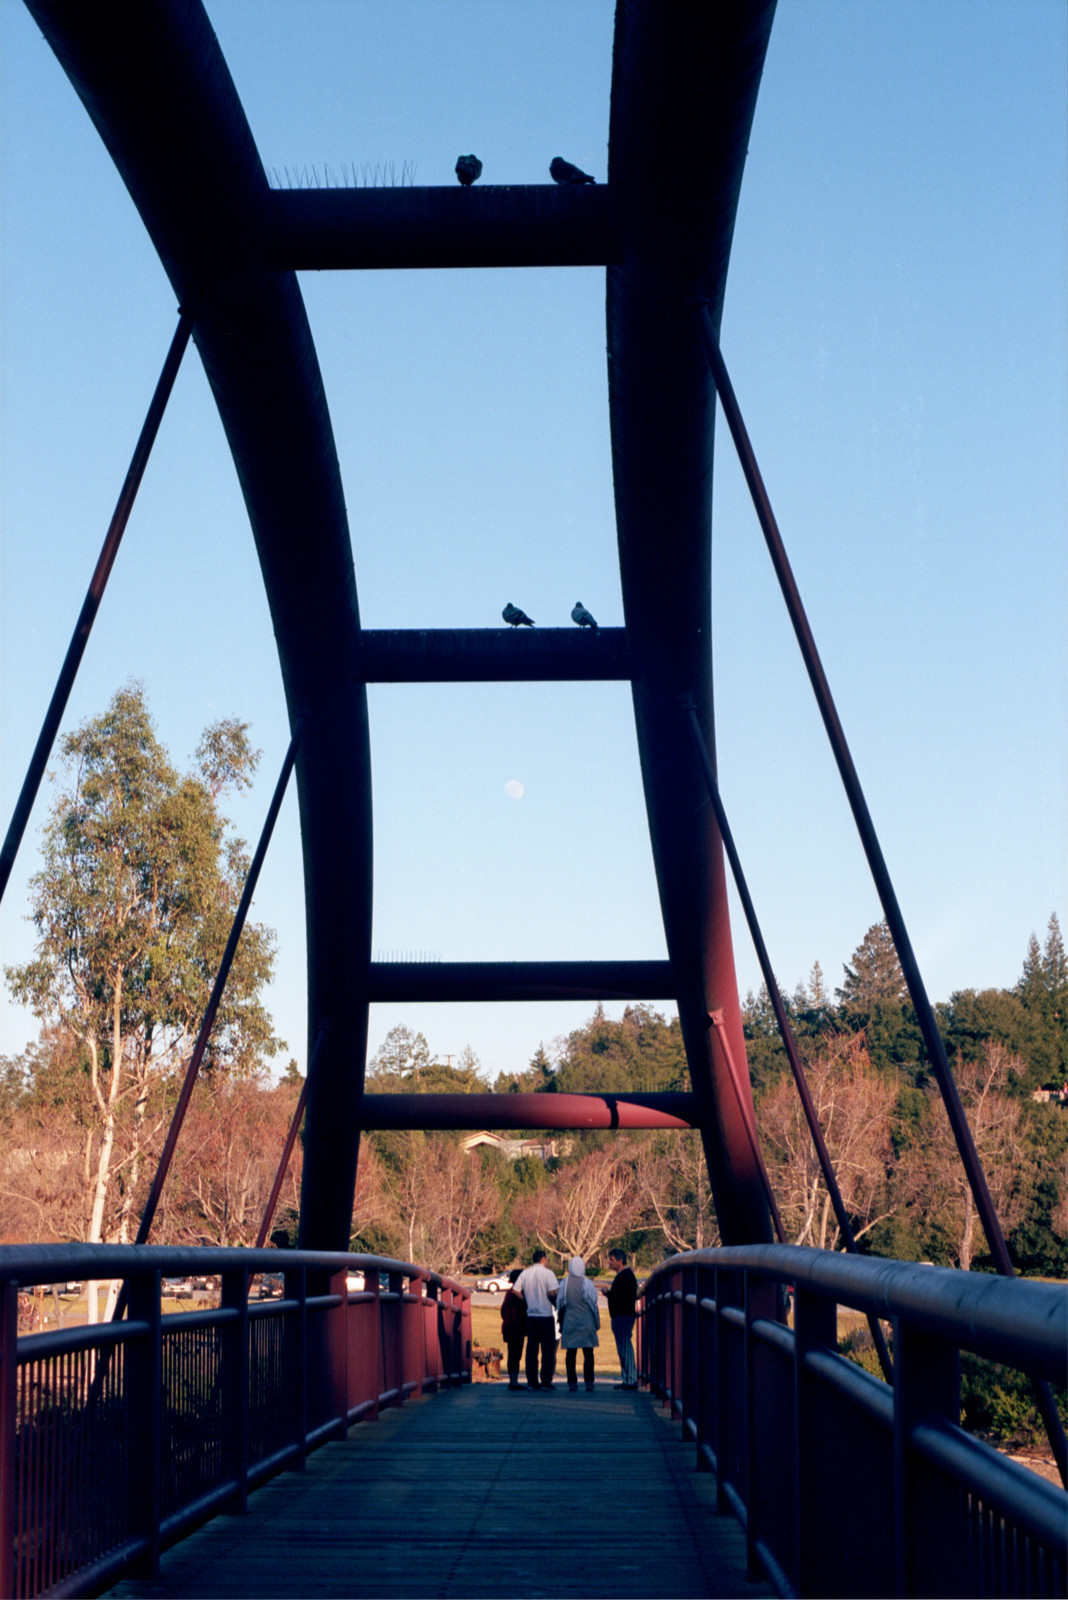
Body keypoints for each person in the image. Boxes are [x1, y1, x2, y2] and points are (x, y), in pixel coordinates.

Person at [515, 1249, 559, 1389]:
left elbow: (515, 1290)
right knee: (547, 1350)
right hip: (545, 1315)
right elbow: (552, 1292)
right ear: (544, 1259)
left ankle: (532, 1381)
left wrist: (525, 1299)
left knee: (532, 1350)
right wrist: (554, 1302)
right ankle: (546, 1380)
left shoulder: (525, 1273)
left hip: (531, 1316)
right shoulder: (548, 1274)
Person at [557, 1255, 600, 1391]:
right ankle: (589, 1381)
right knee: (588, 1352)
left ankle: (572, 1382)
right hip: (586, 1321)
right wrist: (596, 1322)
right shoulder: (588, 1283)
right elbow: (593, 1303)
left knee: (571, 1353)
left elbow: (560, 1303)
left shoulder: (564, 1283)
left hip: (570, 1320)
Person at [606, 1247, 638, 1390]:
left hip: (623, 1316)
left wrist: (608, 1293)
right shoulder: (625, 1275)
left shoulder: (625, 1276)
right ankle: (627, 1378)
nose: (609, 1262)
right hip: (621, 1316)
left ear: (620, 1260)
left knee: (625, 1347)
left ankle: (631, 1379)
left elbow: (622, 1299)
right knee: (622, 1348)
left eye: (612, 1259)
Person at [500, 1268, 527, 1390]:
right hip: (516, 1328)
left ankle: (513, 1379)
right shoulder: (518, 1294)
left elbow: (502, 1311)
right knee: (515, 1354)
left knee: (513, 1353)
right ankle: (514, 1381)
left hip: (509, 1327)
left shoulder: (509, 1293)